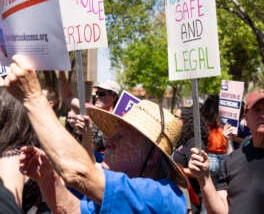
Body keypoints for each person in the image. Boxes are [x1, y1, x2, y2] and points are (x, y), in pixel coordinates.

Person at [5, 55, 187, 213]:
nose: (108, 143)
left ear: (153, 154)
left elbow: (79, 173)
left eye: (121, 137)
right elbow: (73, 210)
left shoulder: (163, 197)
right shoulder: (113, 194)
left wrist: (33, 97)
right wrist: (47, 178)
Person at [173, 106, 209, 213]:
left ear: (187, 121)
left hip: (190, 200)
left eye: (177, 117)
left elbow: (198, 172)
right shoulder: (182, 139)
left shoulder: (193, 142)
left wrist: (175, 170)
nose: (174, 119)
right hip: (180, 195)